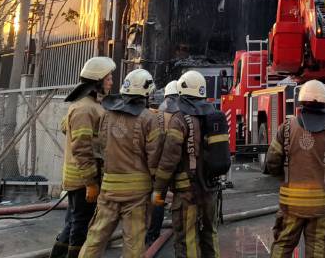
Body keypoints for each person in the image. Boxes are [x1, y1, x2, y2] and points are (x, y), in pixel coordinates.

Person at [265, 80, 325, 258]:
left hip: (291, 205)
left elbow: (272, 162)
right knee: (317, 248)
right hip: (322, 207)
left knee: (282, 245)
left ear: (301, 100)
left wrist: (286, 178)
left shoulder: (286, 128)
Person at [80, 69, 162, 257]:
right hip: (137, 195)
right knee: (133, 245)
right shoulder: (149, 118)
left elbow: (99, 147)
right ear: (147, 93)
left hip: (109, 189)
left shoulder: (107, 115)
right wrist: (159, 186)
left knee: (95, 238)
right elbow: (154, 158)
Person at [50, 56, 115, 258]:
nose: (112, 82)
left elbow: (65, 127)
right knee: (81, 224)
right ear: (97, 81)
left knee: (73, 221)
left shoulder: (88, 105)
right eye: (108, 78)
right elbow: (81, 147)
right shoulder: (85, 109)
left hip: (82, 178)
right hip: (82, 180)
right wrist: (91, 183)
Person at [154, 70, 220, 258]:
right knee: (210, 234)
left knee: (187, 238)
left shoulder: (180, 118)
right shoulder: (213, 115)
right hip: (210, 190)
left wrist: (159, 189)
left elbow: (169, 159)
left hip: (186, 193)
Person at [145, 80, 180, 246]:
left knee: (157, 197)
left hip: (158, 164)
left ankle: (152, 234)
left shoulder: (157, 113)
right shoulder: (181, 114)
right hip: (177, 164)